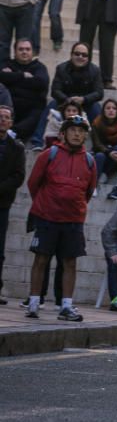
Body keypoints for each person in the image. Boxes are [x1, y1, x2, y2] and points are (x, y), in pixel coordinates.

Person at [25, 115, 97, 322]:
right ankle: (33, 303)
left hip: (73, 220)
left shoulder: (90, 161)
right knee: (40, 259)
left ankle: (66, 306)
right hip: (47, 217)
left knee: (70, 262)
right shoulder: (50, 154)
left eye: (81, 130)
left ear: (85, 135)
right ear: (63, 133)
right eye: (73, 129)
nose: (77, 133)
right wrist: (46, 205)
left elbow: (89, 191)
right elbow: (33, 184)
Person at [0, 104, 24, 304]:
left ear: (11, 122)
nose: (2, 120)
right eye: (0, 116)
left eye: (6, 117)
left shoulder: (16, 148)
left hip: (2, 203)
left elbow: (18, 176)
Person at [0, 38, 47, 138]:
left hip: (31, 108)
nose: (24, 52)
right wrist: (22, 75)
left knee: (37, 114)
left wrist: (12, 77)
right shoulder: (7, 63)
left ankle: (12, 133)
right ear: (15, 51)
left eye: (27, 49)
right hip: (10, 106)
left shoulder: (39, 67)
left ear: (32, 52)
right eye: (21, 49)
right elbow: (2, 77)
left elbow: (41, 83)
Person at [47, 40, 103, 122]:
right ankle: (38, 135)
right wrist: (67, 99)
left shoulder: (95, 70)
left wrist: (84, 99)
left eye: (84, 55)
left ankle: (97, 134)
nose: (80, 57)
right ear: (71, 55)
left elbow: (99, 93)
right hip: (65, 103)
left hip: (86, 104)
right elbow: (55, 90)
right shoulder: (61, 68)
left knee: (96, 107)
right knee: (53, 104)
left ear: (88, 58)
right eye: (77, 54)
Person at [91, 98, 117, 184]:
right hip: (101, 153)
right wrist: (109, 152)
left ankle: (106, 173)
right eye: (108, 108)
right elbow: (97, 144)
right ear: (103, 111)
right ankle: (93, 185)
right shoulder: (97, 123)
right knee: (100, 156)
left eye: (114, 108)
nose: (111, 110)